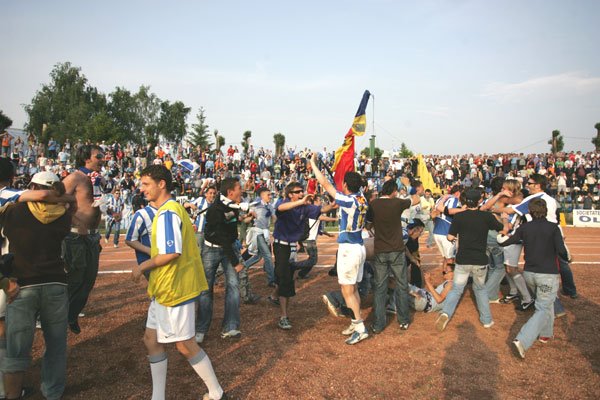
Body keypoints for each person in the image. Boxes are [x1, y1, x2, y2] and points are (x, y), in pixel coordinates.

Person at [132, 165, 223, 400]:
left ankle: (216, 392)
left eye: (146, 184)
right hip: (165, 289)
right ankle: (158, 396)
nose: (142, 189)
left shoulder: (168, 212)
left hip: (175, 289)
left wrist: (142, 266)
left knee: (185, 345)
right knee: (151, 340)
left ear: (162, 184)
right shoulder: (172, 210)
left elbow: (171, 253)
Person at [0, 158, 74, 399]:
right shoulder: (63, 215)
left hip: (19, 282)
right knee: (55, 344)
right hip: (55, 282)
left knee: (15, 347)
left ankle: (10, 393)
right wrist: (65, 199)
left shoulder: (12, 210)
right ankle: (52, 392)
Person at [498, 198, 568, 359]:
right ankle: (523, 339)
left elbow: (508, 241)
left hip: (529, 273)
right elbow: (562, 251)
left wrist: (501, 238)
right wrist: (569, 257)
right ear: (545, 211)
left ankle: (545, 334)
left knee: (546, 303)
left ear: (529, 211)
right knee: (543, 307)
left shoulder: (525, 227)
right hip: (547, 274)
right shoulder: (553, 228)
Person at [311, 152, 370, 344]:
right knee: (353, 289)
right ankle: (355, 321)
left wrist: (313, 164)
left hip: (349, 249)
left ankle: (360, 327)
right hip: (358, 247)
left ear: (346, 186)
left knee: (347, 290)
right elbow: (348, 189)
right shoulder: (362, 199)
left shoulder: (349, 200)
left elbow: (326, 185)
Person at [435, 189, 506, 332]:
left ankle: (445, 313)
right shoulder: (486, 216)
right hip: (480, 259)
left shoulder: (460, 217)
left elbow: (450, 236)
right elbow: (502, 229)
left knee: (456, 289)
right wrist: (503, 217)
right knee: (480, 289)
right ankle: (486, 320)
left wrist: (456, 239)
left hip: (463, 259)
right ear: (479, 200)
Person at [196, 178, 253, 343]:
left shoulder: (232, 205)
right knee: (206, 289)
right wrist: (236, 262)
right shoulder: (215, 210)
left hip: (228, 247)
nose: (241, 191)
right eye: (239, 189)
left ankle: (230, 326)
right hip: (212, 249)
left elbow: (232, 221)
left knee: (233, 286)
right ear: (230, 192)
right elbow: (222, 238)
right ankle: (201, 328)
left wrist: (244, 215)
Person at [365, 179, 422, 334]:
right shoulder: (397, 202)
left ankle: (379, 323)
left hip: (381, 250)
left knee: (380, 286)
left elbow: (368, 226)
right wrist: (409, 185)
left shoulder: (374, 204)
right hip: (397, 249)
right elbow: (416, 198)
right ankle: (403, 320)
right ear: (394, 191)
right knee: (402, 284)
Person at [271, 180, 326, 330]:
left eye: (302, 191)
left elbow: (322, 210)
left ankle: (275, 294)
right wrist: (302, 201)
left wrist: (336, 203)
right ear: (290, 195)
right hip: (280, 246)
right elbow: (281, 207)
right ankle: (283, 316)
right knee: (285, 279)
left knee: (285, 276)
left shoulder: (305, 207)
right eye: (298, 192)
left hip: (292, 246)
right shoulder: (284, 203)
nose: (302, 193)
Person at [62, 144, 104, 334]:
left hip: (92, 236)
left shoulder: (96, 179)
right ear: (87, 158)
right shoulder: (74, 178)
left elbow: (92, 203)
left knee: (88, 280)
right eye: (99, 156)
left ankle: (71, 314)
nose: (102, 159)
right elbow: (56, 200)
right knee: (75, 279)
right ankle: (57, 316)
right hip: (76, 237)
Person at [291, 195, 337, 279]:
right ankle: (293, 266)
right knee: (313, 260)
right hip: (309, 240)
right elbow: (322, 218)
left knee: (312, 259)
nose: (321, 202)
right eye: (319, 200)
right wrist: (335, 219)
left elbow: (318, 229)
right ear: (314, 202)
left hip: (310, 239)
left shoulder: (313, 212)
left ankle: (302, 274)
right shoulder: (312, 213)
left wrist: (327, 234)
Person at [432, 185, 464, 272]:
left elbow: (433, 213)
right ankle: (449, 279)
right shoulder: (455, 200)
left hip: (437, 231)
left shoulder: (440, 199)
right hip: (447, 231)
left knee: (446, 257)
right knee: (451, 259)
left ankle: (444, 274)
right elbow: (452, 212)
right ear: (458, 193)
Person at [125, 200, 158, 281]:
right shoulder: (142, 214)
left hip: (169, 261)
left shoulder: (171, 210)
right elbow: (130, 239)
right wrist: (148, 250)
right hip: (150, 263)